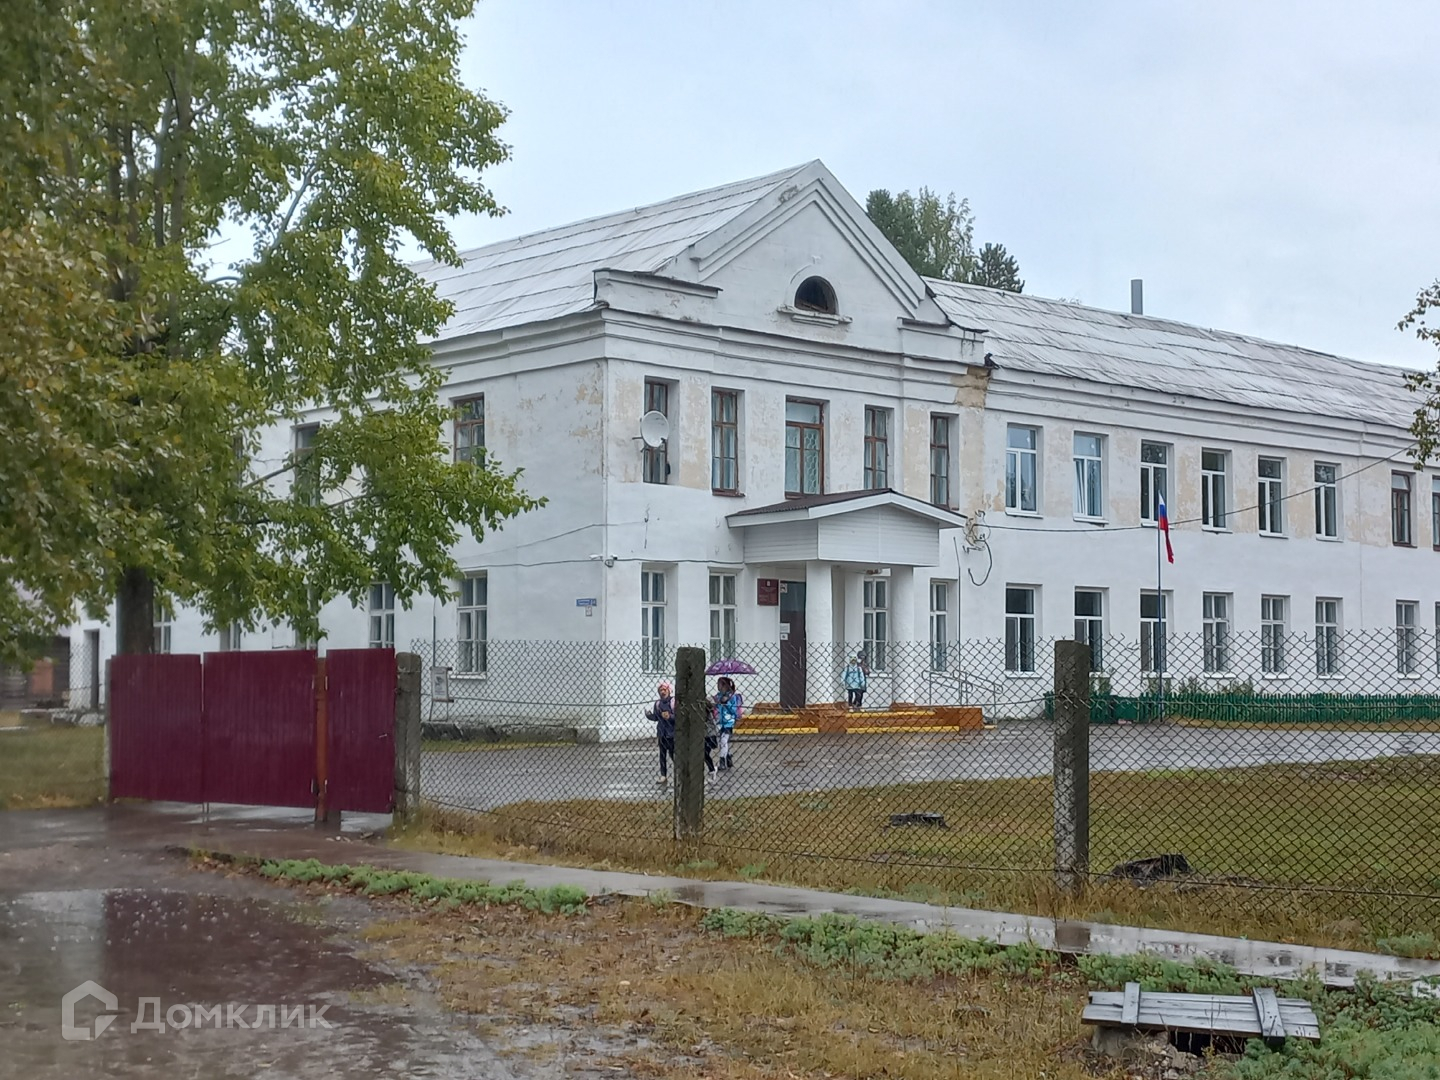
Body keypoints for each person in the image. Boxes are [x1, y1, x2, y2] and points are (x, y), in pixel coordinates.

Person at [646, 681, 676, 786]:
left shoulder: (673, 702)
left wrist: (670, 716)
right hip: (662, 733)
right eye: (660, 690)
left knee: (673, 754)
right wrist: (649, 716)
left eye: (664, 690)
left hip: (672, 734)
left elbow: (678, 717)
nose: (662, 692)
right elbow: (656, 717)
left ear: (669, 690)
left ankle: (678, 772)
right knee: (662, 755)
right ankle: (663, 775)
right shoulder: (658, 704)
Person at [714, 676, 742, 769]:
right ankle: (728, 756)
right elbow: (716, 707)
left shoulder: (732, 697)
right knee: (723, 742)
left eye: (720, 684)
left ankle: (722, 761)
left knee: (723, 740)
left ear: (725, 685)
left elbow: (734, 711)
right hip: (720, 722)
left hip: (728, 722)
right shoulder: (718, 696)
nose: (718, 686)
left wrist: (726, 703)